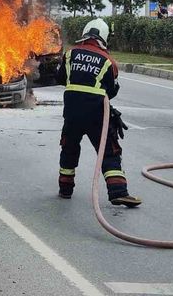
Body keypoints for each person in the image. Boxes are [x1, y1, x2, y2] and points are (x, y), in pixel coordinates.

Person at [55, 18, 141, 207]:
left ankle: (65, 189)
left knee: (69, 147)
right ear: (104, 37)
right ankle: (118, 191)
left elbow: (60, 78)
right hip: (96, 114)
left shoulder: (70, 54)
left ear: (85, 34)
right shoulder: (109, 61)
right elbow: (112, 91)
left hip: (72, 113)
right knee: (109, 151)